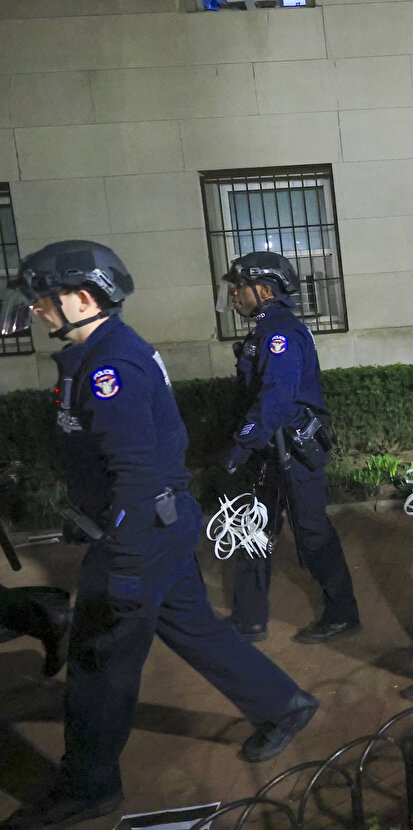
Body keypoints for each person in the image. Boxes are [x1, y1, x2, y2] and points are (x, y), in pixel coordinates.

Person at [1, 241, 316, 830]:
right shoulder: (95, 353)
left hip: (139, 530)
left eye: (45, 299)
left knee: (98, 659)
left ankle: (90, 787)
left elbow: (136, 471)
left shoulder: (110, 367)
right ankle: (285, 704)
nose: (38, 310)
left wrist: (119, 555)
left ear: (83, 298)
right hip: (156, 525)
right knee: (191, 625)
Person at [219, 252, 361, 646]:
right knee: (255, 529)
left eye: (238, 287)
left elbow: (276, 398)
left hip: (294, 450)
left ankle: (342, 613)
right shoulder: (266, 330)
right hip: (272, 448)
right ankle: (248, 618)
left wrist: (240, 445)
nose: (233, 295)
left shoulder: (279, 332)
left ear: (263, 290)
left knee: (312, 534)